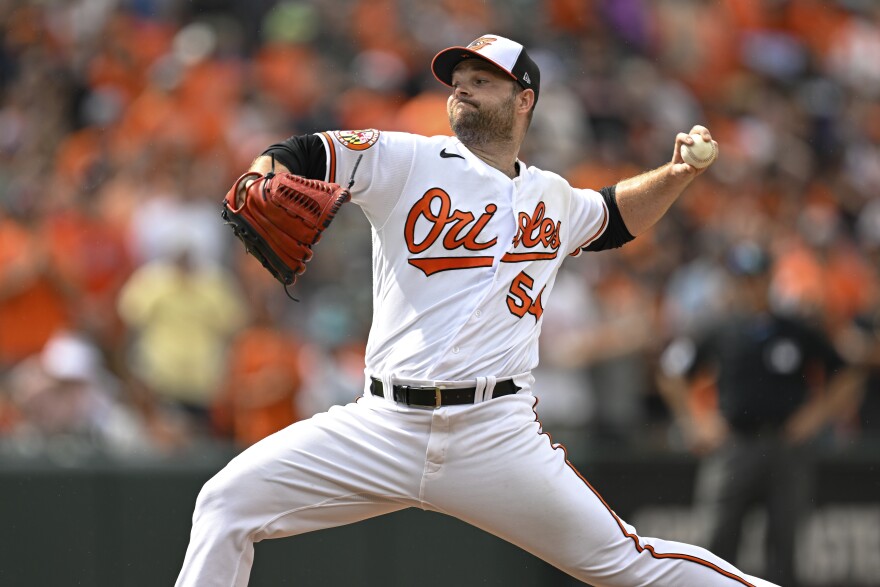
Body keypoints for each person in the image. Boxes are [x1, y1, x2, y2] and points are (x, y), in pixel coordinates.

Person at [176, 34, 779, 587]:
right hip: (382, 425)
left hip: (494, 435)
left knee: (626, 564)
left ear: (524, 100)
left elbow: (613, 217)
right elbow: (303, 151)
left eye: (482, 79)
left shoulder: (552, 195)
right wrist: (266, 172)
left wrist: (676, 173)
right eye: (458, 78)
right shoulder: (407, 159)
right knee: (225, 503)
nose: (461, 86)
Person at [657, 242, 865, 586]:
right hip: (735, 444)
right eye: (743, 280)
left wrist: (816, 415)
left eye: (755, 278)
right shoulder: (719, 328)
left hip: (786, 445)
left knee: (784, 541)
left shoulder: (795, 328)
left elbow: (847, 371)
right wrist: (695, 420)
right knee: (717, 540)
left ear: (768, 279)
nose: (749, 287)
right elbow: (671, 373)